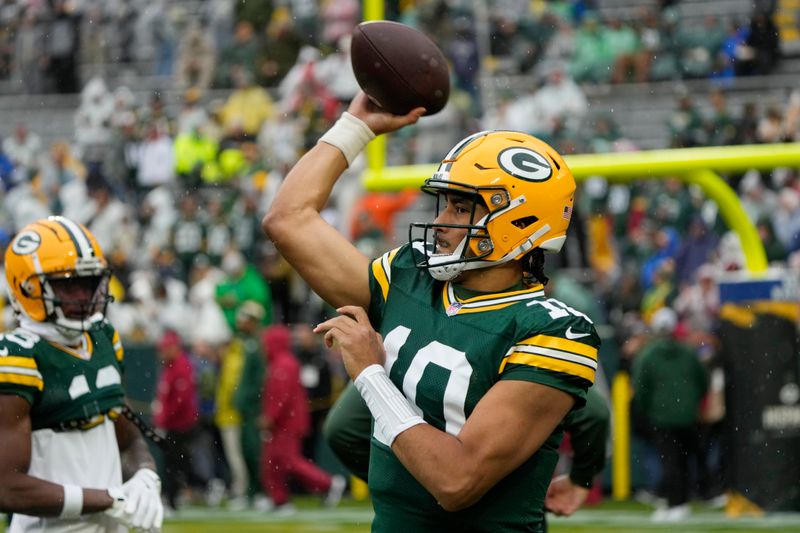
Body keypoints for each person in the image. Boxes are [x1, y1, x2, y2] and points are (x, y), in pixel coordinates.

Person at [263, 92, 599, 531]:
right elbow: (286, 219)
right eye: (445, 204)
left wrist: (370, 376)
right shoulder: (410, 275)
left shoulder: (550, 330)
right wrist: (356, 126)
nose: (440, 222)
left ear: (519, 221)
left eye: (461, 208)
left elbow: (457, 482)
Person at [0, 216, 163, 531]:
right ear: (26, 286)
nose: (82, 296)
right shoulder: (16, 357)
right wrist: (109, 499)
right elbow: (7, 487)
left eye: (88, 283)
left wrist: (145, 473)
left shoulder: (103, 339)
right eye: (66, 284)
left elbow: (125, 437)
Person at [258, 325, 346, 513]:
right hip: (286, 421)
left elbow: (281, 397)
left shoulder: (284, 364)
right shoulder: (282, 362)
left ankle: (328, 484)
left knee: (287, 460)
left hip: (287, 422)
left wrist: (269, 417)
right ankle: (278, 499)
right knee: (272, 461)